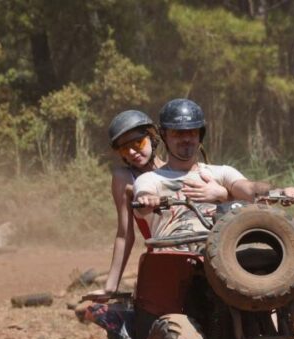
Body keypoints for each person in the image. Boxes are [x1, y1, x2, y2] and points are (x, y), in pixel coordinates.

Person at [90, 110, 229, 297]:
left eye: (138, 143)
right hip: (163, 256)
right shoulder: (124, 178)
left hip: (203, 249)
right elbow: (124, 234)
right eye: (124, 149)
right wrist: (111, 286)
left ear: (154, 137)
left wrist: (224, 194)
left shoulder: (176, 170)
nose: (132, 152)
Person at [134, 98, 294, 238]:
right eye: (178, 133)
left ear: (200, 135)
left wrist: (280, 192)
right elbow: (143, 198)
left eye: (192, 132)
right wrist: (148, 200)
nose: (186, 139)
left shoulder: (221, 173)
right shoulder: (150, 179)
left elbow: (250, 189)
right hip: (174, 257)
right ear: (164, 135)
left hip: (225, 254)